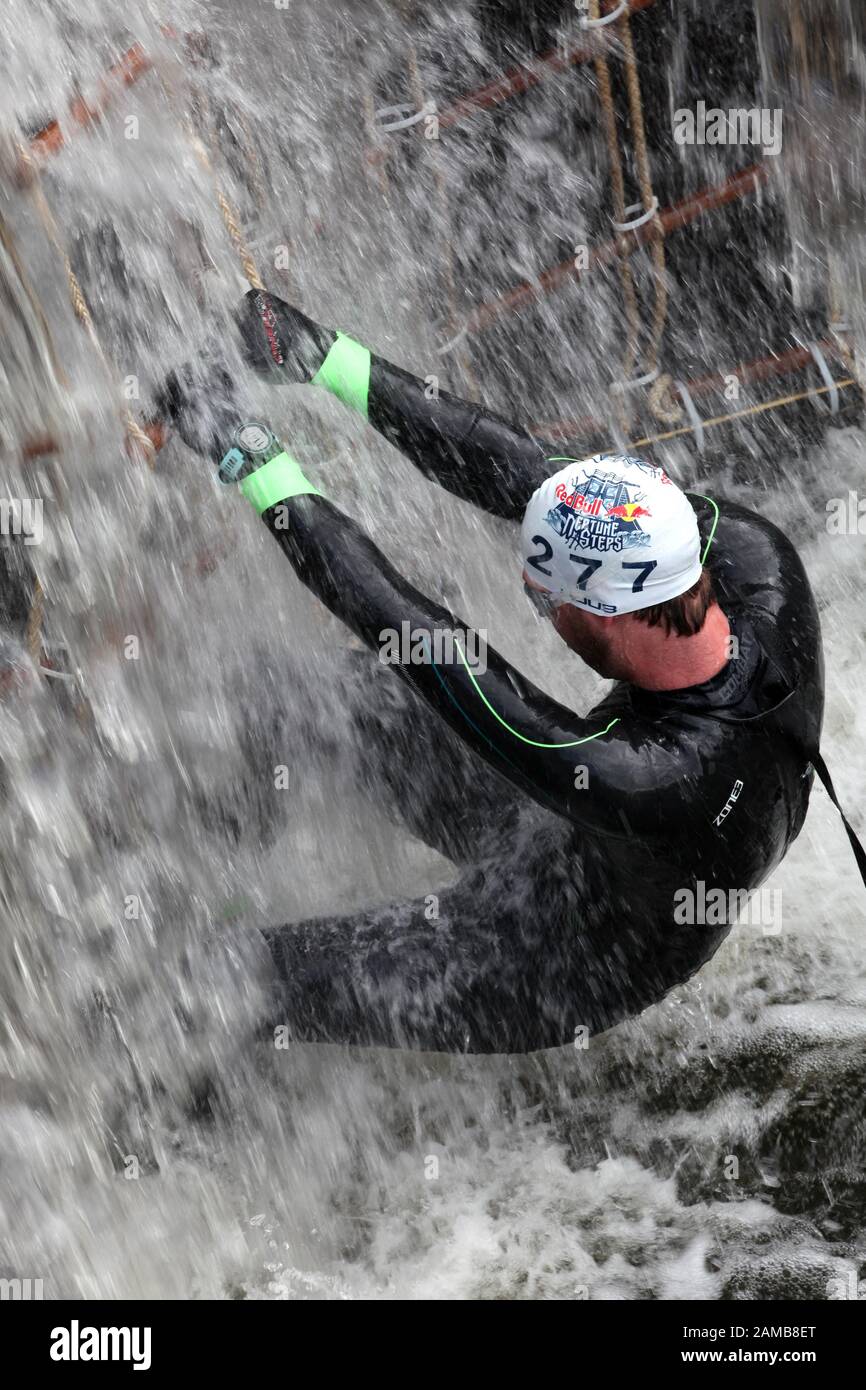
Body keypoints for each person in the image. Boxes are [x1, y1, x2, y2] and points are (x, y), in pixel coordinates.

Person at [157, 289, 859, 1055]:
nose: (532, 605)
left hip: (542, 964)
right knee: (307, 698)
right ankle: (208, 866)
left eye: (544, 601)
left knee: (229, 979)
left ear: (609, 617)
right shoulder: (746, 553)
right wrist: (324, 355)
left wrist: (248, 453)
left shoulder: (651, 777)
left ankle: (150, 1125)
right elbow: (527, 471)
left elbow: (414, 633)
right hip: (559, 832)